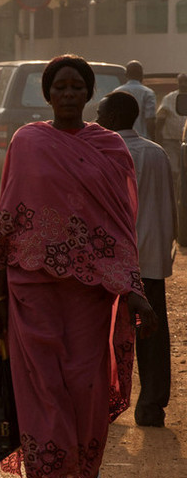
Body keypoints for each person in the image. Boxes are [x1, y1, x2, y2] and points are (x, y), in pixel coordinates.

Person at [0, 55, 157, 478]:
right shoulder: (28, 143)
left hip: (89, 293)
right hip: (30, 288)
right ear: (47, 94)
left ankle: (86, 470)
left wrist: (134, 288)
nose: (67, 94)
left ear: (88, 94)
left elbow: (120, 226)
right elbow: (8, 223)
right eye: (58, 86)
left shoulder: (110, 149)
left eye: (75, 86)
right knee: (44, 389)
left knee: (86, 386)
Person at [97, 91, 176, 428]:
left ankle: (104, 403)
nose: (96, 120)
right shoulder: (157, 153)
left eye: (100, 113)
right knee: (153, 333)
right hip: (153, 257)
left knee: (107, 331)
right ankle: (152, 405)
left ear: (113, 117)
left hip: (117, 260)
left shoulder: (106, 151)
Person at [155, 73, 187, 184]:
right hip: (170, 142)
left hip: (185, 142)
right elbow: (160, 119)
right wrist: (157, 139)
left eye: (185, 81)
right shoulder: (169, 98)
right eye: (181, 82)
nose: (183, 84)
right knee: (173, 171)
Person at [115, 60, 156, 140]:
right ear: (141, 75)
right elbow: (150, 120)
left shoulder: (117, 92)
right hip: (143, 140)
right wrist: (154, 139)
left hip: (120, 140)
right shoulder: (148, 93)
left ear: (126, 74)